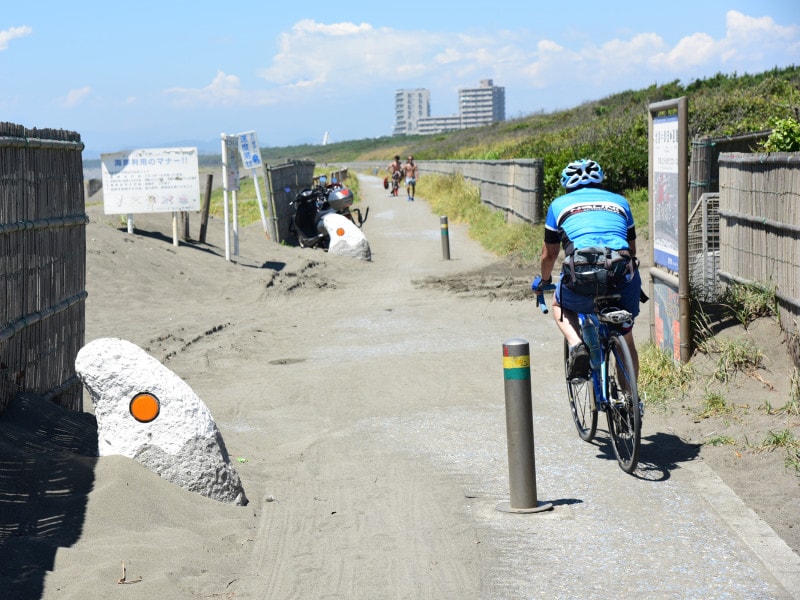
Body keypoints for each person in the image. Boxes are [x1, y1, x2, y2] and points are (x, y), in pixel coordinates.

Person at [535, 158, 642, 380]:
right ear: (601, 181)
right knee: (626, 338)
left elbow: (549, 254)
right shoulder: (621, 202)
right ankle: (630, 402)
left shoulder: (558, 205)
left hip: (581, 274)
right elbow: (631, 250)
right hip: (620, 274)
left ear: (567, 185)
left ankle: (576, 345)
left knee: (559, 304)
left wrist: (544, 281)